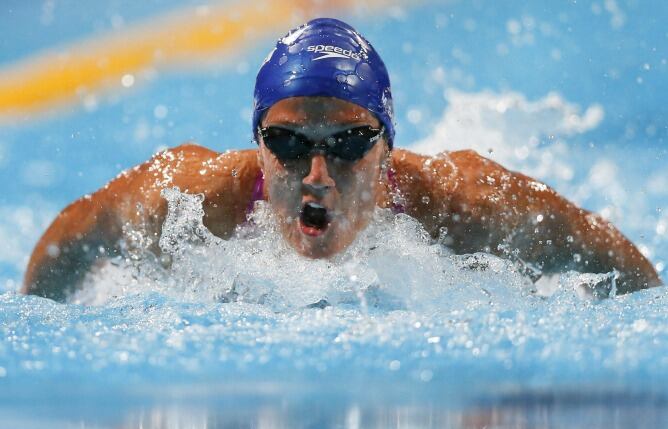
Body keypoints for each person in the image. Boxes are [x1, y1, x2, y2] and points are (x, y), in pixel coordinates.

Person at [22, 18, 661, 301]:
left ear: (386, 151)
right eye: (291, 145)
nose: (317, 176)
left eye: (350, 143)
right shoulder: (186, 202)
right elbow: (67, 244)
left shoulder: (468, 205)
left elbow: (630, 276)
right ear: (258, 147)